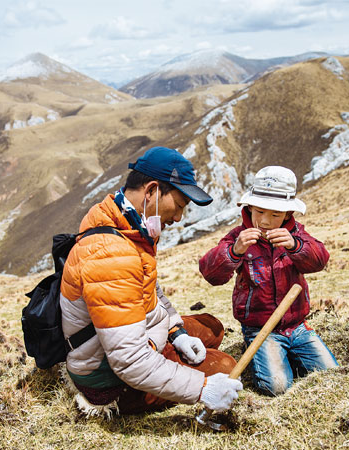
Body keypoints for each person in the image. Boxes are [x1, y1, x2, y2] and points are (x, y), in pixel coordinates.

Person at [60, 146, 242, 415]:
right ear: (152, 191)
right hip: (109, 374)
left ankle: (172, 346)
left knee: (212, 328)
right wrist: (202, 389)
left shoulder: (129, 228)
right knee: (225, 367)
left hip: (137, 334)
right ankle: (124, 400)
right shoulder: (111, 253)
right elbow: (129, 360)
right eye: (179, 205)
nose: (178, 217)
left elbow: (150, 293)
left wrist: (176, 332)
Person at [199, 166, 338, 396]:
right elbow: (211, 274)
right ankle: (263, 357)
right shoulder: (238, 237)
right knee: (277, 387)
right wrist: (235, 250)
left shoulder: (296, 234)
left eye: (275, 215)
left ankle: (285, 357)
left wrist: (296, 246)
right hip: (260, 329)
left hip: (297, 327)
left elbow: (319, 261)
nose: (265, 221)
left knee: (332, 374)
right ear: (249, 207)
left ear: (287, 215)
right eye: (260, 212)